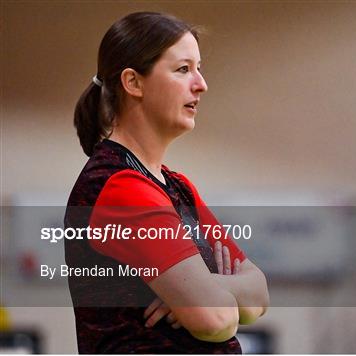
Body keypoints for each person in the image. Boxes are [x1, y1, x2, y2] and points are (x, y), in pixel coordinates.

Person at [64, 11, 269, 353]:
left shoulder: (177, 186)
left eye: (199, 68)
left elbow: (260, 294)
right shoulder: (120, 186)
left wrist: (209, 285)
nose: (201, 83)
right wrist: (214, 293)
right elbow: (214, 321)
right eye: (183, 69)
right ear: (134, 83)